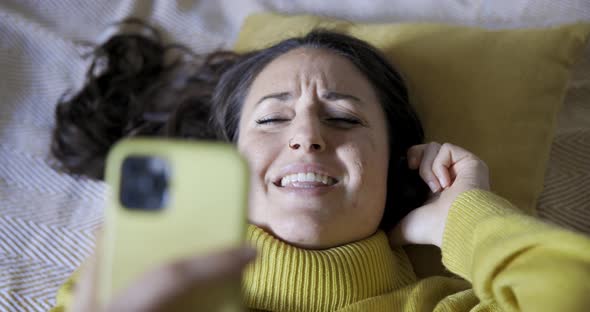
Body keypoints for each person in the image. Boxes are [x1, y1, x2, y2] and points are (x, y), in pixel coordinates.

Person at [50, 21, 590, 311]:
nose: (307, 137)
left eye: (344, 118)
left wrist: (462, 218)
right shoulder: (136, 291)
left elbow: (574, 290)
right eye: (271, 120)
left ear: (395, 164)